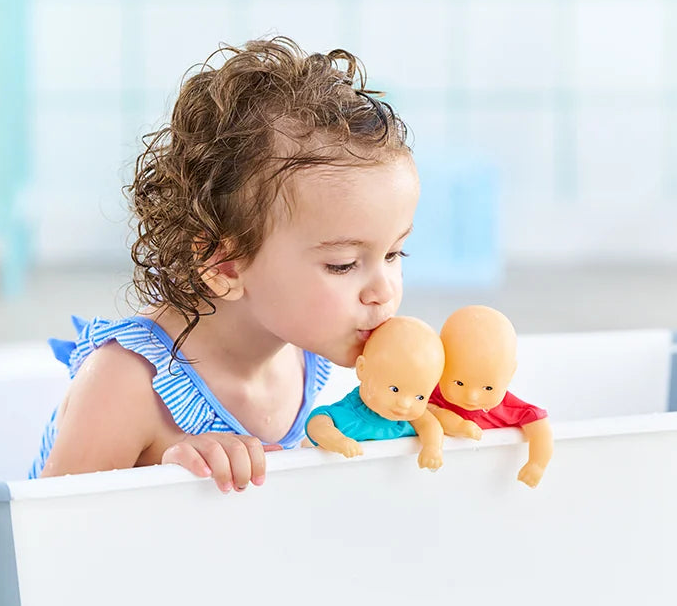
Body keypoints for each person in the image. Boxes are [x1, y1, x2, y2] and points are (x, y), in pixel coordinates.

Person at [29, 36, 420, 494]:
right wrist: (169, 477)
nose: (384, 290)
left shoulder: (302, 348)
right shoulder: (127, 384)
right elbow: (52, 536)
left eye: (394, 254)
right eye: (343, 264)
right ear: (227, 266)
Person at [426, 305, 554, 488]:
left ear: (510, 374)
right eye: (459, 383)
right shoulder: (429, 393)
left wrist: (537, 463)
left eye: (488, 387)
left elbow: (540, 428)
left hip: (485, 483)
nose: (472, 396)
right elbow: (424, 411)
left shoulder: (508, 407)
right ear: (440, 366)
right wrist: (456, 425)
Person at [305, 316, 446, 469]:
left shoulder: (410, 419)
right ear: (362, 369)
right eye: (394, 389)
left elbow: (430, 425)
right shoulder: (349, 414)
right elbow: (317, 423)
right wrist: (337, 441)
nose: (405, 403)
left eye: (420, 397)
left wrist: (432, 448)